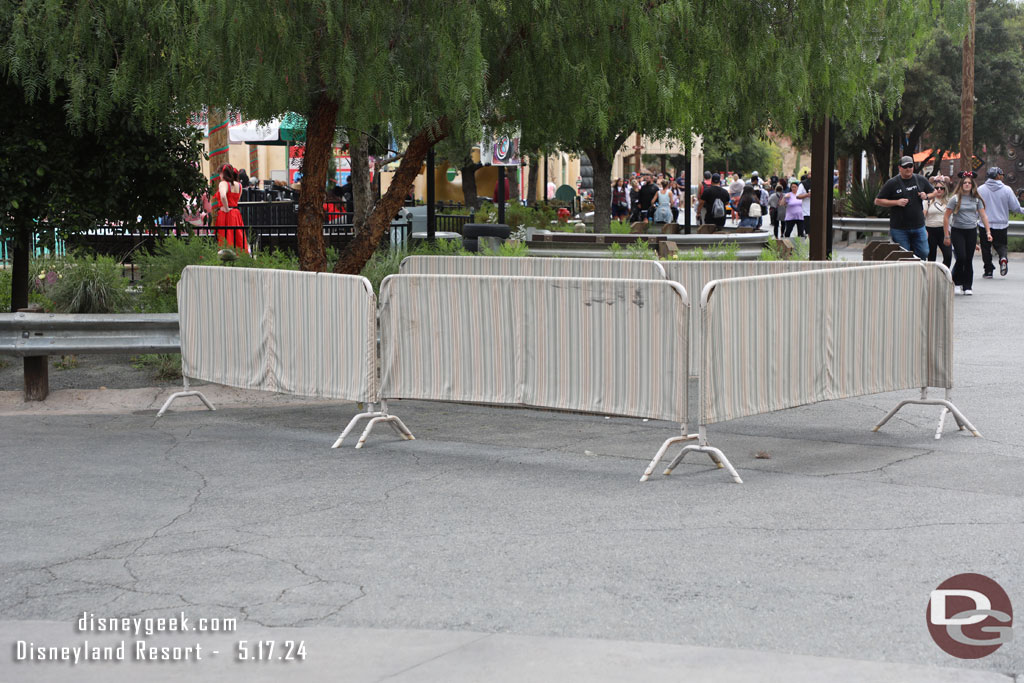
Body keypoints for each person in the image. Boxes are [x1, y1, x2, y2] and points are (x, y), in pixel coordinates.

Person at [874, 156, 934, 260]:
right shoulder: (892, 183)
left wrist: (926, 196)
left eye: (910, 166)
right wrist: (896, 202)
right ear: (899, 168)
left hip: (918, 226)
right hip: (899, 228)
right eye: (905, 166)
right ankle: (907, 275)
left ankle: (918, 275)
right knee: (904, 256)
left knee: (924, 252)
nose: (908, 168)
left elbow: (934, 192)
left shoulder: (920, 179)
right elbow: (878, 201)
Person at [944, 172, 992, 296]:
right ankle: (954, 282)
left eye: (969, 183)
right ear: (961, 184)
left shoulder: (976, 199)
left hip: (971, 231)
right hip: (957, 231)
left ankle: (967, 286)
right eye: (964, 183)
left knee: (968, 259)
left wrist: (988, 232)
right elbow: (946, 217)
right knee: (961, 257)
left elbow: (983, 216)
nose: (967, 185)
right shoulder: (955, 199)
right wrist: (946, 235)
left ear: (972, 185)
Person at [977, 166, 1019, 278]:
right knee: (1002, 246)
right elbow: (1015, 207)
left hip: (984, 224)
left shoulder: (981, 189)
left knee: (986, 248)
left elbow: (976, 206)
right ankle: (1003, 258)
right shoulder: (1007, 189)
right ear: (997, 176)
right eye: (1002, 175)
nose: (1003, 177)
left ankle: (988, 270)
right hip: (1001, 224)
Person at [214, 164, 248, 252]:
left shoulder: (223, 183)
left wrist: (226, 208)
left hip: (225, 214)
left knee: (225, 237)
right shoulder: (239, 185)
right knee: (238, 237)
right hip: (236, 214)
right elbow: (237, 200)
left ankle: (225, 258)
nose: (219, 176)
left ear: (223, 173)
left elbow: (223, 196)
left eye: (220, 173)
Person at [923, 178, 951, 268]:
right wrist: (924, 230)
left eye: (941, 188)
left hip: (944, 230)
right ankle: (931, 275)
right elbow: (922, 216)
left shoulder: (949, 201)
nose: (939, 190)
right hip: (930, 229)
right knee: (931, 256)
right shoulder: (927, 201)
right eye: (936, 188)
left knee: (948, 255)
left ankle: (944, 272)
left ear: (944, 190)